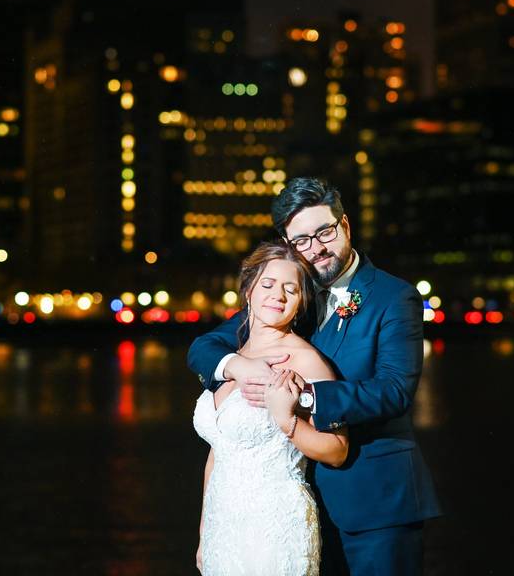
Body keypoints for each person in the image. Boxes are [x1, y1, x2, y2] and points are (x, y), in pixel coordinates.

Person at [189, 177, 441, 575]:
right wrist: (236, 366)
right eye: (301, 240)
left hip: (375, 501)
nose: (315, 248)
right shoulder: (289, 296)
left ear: (345, 225)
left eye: (324, 232)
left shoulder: (394, 297)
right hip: (296, 509)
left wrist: (304, 398)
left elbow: (395, 390)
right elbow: (204, 347)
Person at [193, 241, 349, 575]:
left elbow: (338, 450)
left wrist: (287, 420)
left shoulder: (306, 360)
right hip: (223, 528)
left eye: (290, 289)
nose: (277, 295)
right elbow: (220, 449)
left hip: (275, 525)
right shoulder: (231, 357)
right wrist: (205, 530)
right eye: (267, 284)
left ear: (300, 302)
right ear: (248, 290)